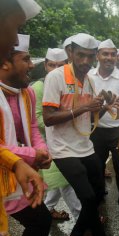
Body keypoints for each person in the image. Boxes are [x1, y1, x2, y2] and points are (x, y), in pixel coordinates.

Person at [42, 33, 119, 236]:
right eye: (81, 56)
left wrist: (106, 105)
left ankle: (76, 235)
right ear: (70, 53)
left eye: (89, 57)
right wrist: (82, 109)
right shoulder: (56, 77)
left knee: (98, 193)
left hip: (84, 145)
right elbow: (48, 118)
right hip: (62, 148)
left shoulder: (89, 80)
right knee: (87, 197)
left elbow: (92, 115)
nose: (86, 62)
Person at [0, 34, 52, 236]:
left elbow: (31, 127)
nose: (32, 65)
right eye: (26, 59)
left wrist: (42, 150)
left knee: (40, 221)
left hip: (17, 169)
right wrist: (31, 154)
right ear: (5, 62)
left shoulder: (27, 92)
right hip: (6, 172)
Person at [88, 39, 119, 217]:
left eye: (112, 54)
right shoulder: (89, 77)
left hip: (118, 130)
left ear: (116, 57)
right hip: (95, 130)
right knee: (96, 168)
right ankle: (98, 200)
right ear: (98, 56)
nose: (109, 57)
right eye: (105, 54)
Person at [33, 48, 81, 221]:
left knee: (58, 182)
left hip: (68, 141)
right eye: (52, 65)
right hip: (47, 142)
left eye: (60, 65)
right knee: (66, 182)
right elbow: (38, 119)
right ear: (45, 66)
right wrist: (64, 120)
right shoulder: (38, 87)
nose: (55, 69)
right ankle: (82, 219)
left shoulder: (71, 84)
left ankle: (48, 209)